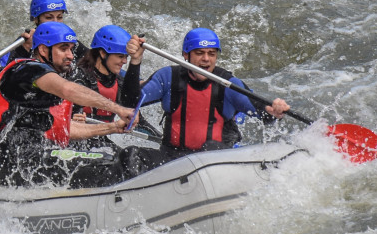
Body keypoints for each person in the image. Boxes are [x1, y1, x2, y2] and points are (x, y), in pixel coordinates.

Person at [0, 22, 141, 188]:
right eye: (63, 48)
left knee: (118, 157)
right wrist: (119, 109)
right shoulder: (26, 69)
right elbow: (68, 89)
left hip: (33, 157)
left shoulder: (51, 83)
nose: (71, 55)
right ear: (44, 50)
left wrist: (113, 127)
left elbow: (66, 129)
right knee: (112, 165)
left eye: (71, 49)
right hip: (10, 161)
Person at [123, 28, 290, 158]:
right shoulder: (168, 77)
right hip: (172, 159)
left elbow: (262, 111)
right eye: (199, 53)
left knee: (210, 147)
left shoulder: (227, 83)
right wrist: (135, 61)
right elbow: (129, 102)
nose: (206, 59)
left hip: (215, 160)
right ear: (186, 55)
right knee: (131, 155)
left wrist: (274, 111)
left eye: (212, 54)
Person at [2, 0, 89, 64]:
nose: (55, 22)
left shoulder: (69, 41)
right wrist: (24, 49)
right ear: (36, 19)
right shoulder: (26, 42)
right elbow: (9, 75)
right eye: (49, 17)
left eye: (59, 17)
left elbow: (93, 60)